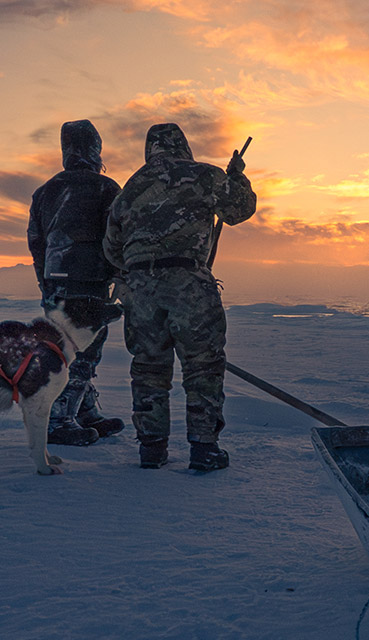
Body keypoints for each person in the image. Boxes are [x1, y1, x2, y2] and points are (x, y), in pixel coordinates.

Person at [104, 123, 255, 471]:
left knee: (148, 367)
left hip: (141, 290)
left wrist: (141, 267)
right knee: (202, 364)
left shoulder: (130, 189)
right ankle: (204, 448)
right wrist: (237, 179)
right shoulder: (204, 175)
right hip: (189, 284)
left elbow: (112, 249)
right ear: (182, 145)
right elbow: (239, 210)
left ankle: (152, 449)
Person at [27, 120, 125, 446]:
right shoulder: (106, 188)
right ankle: (59, 419)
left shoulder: (46, 191)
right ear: (96, 149)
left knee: (65, 348)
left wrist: (45, 281)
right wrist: (119, 273)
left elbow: (36, 241)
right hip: (90, 281)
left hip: (55, 283)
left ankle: (82, 410)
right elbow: (118, 236)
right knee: (84, 351)